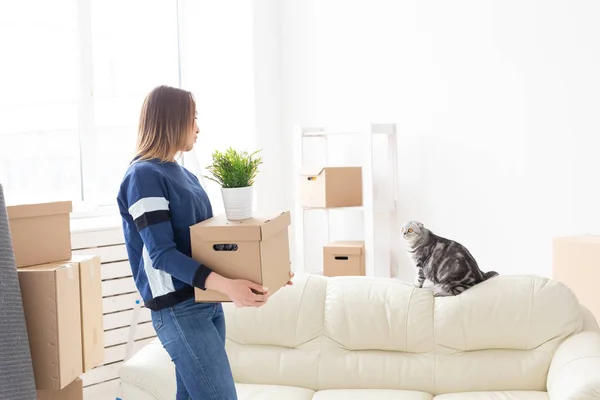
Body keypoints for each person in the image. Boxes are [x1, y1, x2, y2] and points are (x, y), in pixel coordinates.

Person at [116, 85, 293, 400]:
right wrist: (227, 285)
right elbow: (162, 255)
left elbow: (210, 243)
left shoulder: (185, 176)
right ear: (172, 120)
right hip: (177, 308)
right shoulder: (143, 177)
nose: (198, 128)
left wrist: (267, 271)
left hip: (205, 302)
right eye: (192, 118)